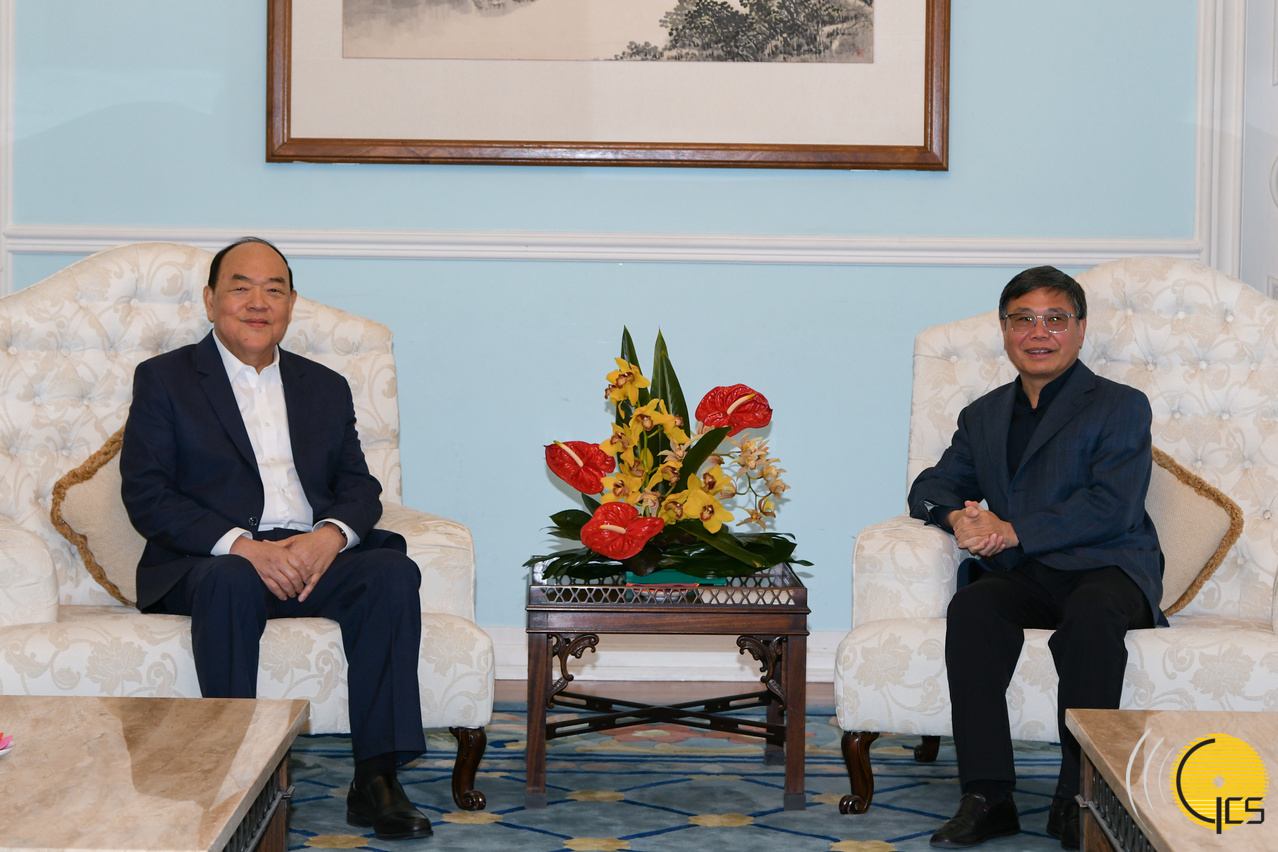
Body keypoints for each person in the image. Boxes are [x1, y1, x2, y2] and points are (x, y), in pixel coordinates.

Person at [120, 237, 433, 841]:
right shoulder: (165, 379)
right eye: (240, 288)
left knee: (391, 572)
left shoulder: (325, 386)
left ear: (291, 304)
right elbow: (148, 493)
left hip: (310, 554)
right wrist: (243, 545)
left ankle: (377, 779)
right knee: (230, 583)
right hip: (219, 559)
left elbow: (359, 487)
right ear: (210, 300)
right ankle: (238, 772)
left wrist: (330, 537)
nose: (257, 303)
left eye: (274, 290)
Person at [908, 266, 1164, 850]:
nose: (1039, 332)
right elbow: (932, 485)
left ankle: (1078, 799)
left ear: (1080, 329)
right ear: (1004, 330)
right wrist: (956, 518)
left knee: (1093, 617)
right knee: (972, 608)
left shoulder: (1121, 405)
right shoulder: (984, 415)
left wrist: (1012, 529)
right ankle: (987, 796)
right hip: (1024, 574)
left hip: (1108, 567)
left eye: (1055, 319)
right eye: (1023, 319)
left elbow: (1113, 506)